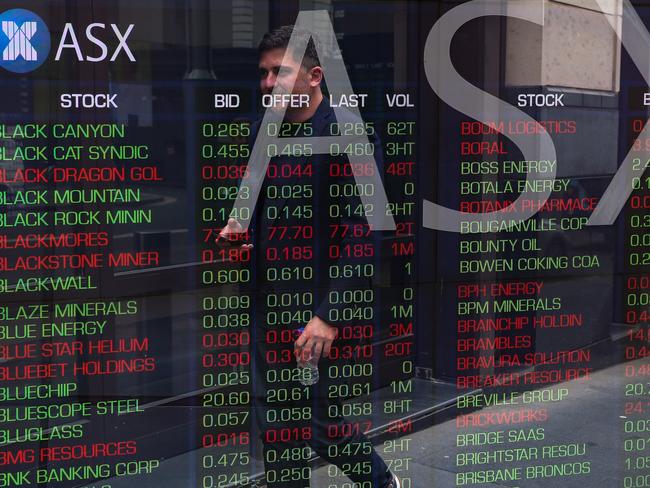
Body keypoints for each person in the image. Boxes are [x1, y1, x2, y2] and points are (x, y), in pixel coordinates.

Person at [218, 25, 401, 488]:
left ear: (315, 75)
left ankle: (383, 483)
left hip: (318, 310)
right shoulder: (264, 128)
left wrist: (328, 317)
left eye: (280, 72)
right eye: (263, 73)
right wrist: (240, 227)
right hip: (269, 304)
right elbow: (255, 200)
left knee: (321, 423)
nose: (267, 83)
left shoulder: (347, 131)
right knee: (277, 426)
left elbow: (367, 233)